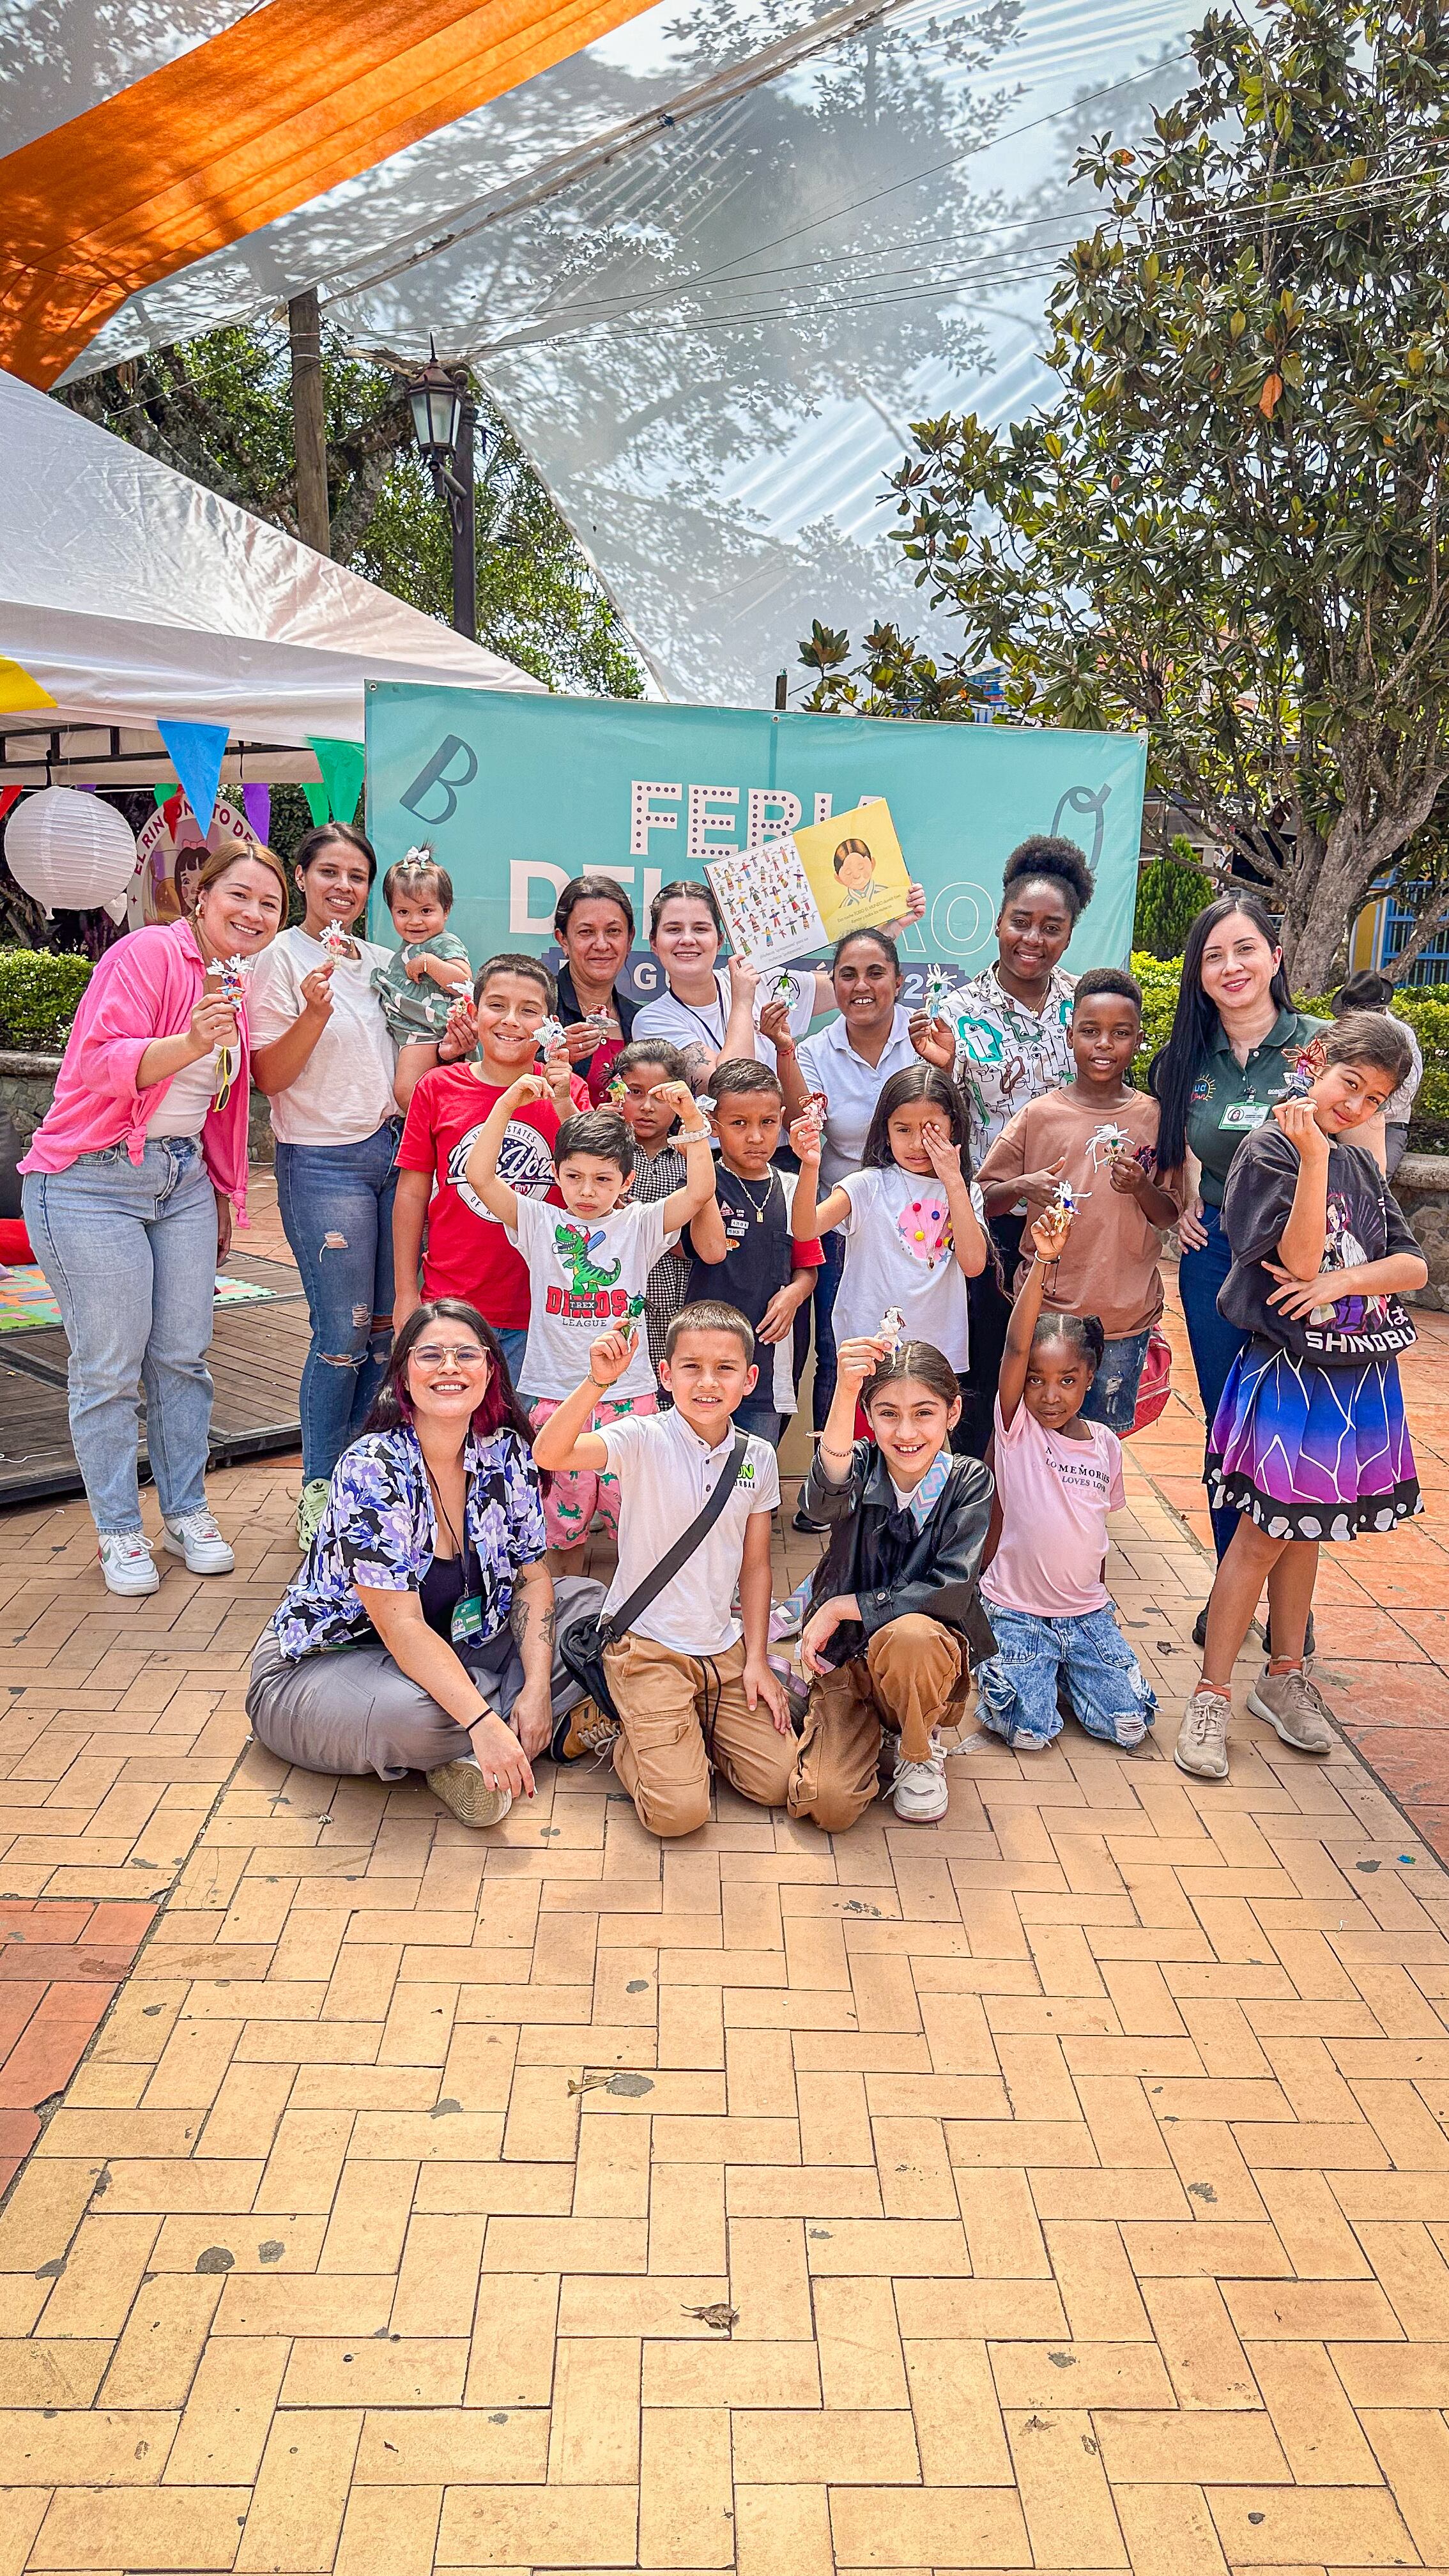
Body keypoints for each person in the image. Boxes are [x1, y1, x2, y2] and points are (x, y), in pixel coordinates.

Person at [20, 843, 288, 1594]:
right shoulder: (146, 955)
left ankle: (187, 1511)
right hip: (87, 1180)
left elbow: (225, 1106)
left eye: (269, 904)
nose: (254, 913)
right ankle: (118, 1530)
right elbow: (98, 1063)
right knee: (107, 1367)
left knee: (182, 1356)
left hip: (181, 1180)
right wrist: (192, 1041)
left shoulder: (243, 978)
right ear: (200, 896)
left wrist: (226, 1195)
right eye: (240, 895)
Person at [1174, 1014, 1427, 1783]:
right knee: (1259, 1535)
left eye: (1373, 1099)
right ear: (1316, 1062)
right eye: (1349, 1083)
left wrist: (1345, 1281)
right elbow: (1296, 1255)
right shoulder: (1273, 1151)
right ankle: (1213, 1692)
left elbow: (1409, 1266)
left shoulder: (1361, 1164)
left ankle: (1284, 1678)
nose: (1355, 1107)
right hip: (1286, 1374)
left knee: (1307, 1529)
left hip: (1352, 1373)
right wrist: (1317, 1159)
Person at [246, 1301, 602, 1828]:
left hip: (459, 1644)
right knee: (416, 1714)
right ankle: (487, 1733)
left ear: (490, 1370)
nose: (450, 1367)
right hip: (326, 1664)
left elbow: (531, 1577)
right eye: (431, 1355)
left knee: (595, 1611)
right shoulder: (372, 1468)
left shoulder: (504, 1452)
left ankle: (473, 1747)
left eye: (466, 1354)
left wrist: (534, 1687)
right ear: (404, 1377)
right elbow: (401, 1627)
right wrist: (482, 1718)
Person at [533, 1304, 797, 1836]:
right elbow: (552, 1452)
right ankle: (629, 1729)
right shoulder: (642, 1437)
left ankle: (681, 1730)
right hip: (646, 1647)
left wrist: (757, 1661)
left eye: (724, 1368)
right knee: (678, 1815)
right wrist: (595, 1383)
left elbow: (756, 1567)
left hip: (720, 1649)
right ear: (664, 1373)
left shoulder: (759, 1457)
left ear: (749, 1379)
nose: (707, 1382)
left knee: (778, 1782)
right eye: (691, 1367)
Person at [1149, 893, 1330, 1591]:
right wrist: (1188, 1207)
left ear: (1275, 957)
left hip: (1303, 1260)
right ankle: (1233, 1588)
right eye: (1213, 956)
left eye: (1245, 949)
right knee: (1230, 1424)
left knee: (1296, 1428)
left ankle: (1290, 1607)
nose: (1231, 967)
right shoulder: (1186, 1060)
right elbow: (1184, 1157)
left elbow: (1362, 1157)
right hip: (1218, 1260)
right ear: (1198, 974)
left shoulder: (1322, 1047)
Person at [248, 820, 411, 1549]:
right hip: (322, 1160)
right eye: (330, 873)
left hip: (393, 1153)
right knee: (341, 1336)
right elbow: (269, 1078)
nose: (343, 887)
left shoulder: (382, 961)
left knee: (384, 1337)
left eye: (356, 876)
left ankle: (358, 1482)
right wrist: (314, 1012)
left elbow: (415, 1049)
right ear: (302, 877)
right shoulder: (278, 958)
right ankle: (320, 1487)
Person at [464, 1080, 716, 1547]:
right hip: (556, 1397)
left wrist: (693, 1121)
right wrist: (504, 1105)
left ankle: (633, 1614)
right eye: (574, 1176)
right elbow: (481, 1178)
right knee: (560, 1527)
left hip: (630, 1397)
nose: (587, 1190)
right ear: (556, 1174)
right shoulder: (540, 1221)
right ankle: (560, 1607)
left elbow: (699, 1191)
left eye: (603, 1179)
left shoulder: (640, 1224)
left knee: (637, 1520)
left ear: (626, 1182)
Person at [790, 1333, 995, 1828]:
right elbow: (822, 1500)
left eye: (924, 1412)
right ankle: (862, 1727)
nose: (906, 1432)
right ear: (868, 1415)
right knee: (827, 1804)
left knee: (912, 1635)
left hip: (918, 1660)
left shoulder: (968, 1481)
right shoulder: (860, 1464)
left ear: (952, 1412)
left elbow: (949, 1588)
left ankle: (918, 1747)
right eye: (887, 1413)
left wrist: (842, 1606)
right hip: (847, 1664)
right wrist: (843, 1388)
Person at [973, 1202, 1158, 1754]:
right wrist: (1043, 1266)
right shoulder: (1016, 1430)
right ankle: (1029, 1672)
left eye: (1067, 1380)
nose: (1049, 1395)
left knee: (1129, 1725)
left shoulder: (1104, 1446)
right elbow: (1014, 1345)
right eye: (1036, 1381)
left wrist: (1097, 1594)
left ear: (1090, 1379)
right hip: (1016, 1608)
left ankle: (1068, 1672)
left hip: (1086, 1614)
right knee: (1029, 1731)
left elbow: (1097, 1532)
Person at [977, 969, 1181, 1434]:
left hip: (1124, 1318)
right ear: (1070, 1036)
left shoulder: (1155, 1118)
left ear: (1139, 1039)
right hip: (1049, 1313)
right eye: (1090, 1031)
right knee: (1037, 1438)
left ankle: (1090, 1511)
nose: (1104, 1044)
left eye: (1120, 1033)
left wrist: (1141, 1188)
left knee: (1102, 1443)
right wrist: (1022, 1187)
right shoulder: (1040, 1115)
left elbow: (1168, 1213)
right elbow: (983, 1199)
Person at [392, 953, 585, 1388]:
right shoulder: (437, 1087)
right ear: (473, 1013)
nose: (512, 1021)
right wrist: (406, 1293)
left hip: (542, 1310)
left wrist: (561, 1103)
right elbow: (411, 1193)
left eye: (529, 1010)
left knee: (530, 1443)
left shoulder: (569, 1091)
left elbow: (593, 1182)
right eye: (497, 1005)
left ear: (550, 1024)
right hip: (452, 1306)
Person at [776, 928, 920, 1476]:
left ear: (899, 981)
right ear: (832, 985)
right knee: (845, 1353)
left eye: (875, 973)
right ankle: (833, 1480)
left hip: (920, 1226)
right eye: (847, 975)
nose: (862, 986)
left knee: (915, 1348)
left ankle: (908, 1478)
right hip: (842, 1225)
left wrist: (942, 1061)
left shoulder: (926, 1036)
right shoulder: (816, 1051)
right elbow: (801, 1125)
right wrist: (787, 1050)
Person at [808, 1065, 990, 1449]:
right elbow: (807, 1227)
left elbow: (974, 1264)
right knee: (863, 1456)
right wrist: (810, 1164)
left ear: (954, 1127)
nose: (916, 1143)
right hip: (868, 1352)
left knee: (923, 1455)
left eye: (930, 1129)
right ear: (885, 1130)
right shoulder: (867, 1184)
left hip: (937, 1355)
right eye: (902, 1129)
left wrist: (954, 1181)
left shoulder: (966, 1193)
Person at [685, 1058, 823, 1445]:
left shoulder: (794, 1187)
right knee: (699, 1469)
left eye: (767, 1123)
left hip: (768, 1362)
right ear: (714, 1126)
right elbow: (696, 1250)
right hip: (704, 1361)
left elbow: (807, 1267)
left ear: (782, 1119)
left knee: (754, 1472)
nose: (756, 1137)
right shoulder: (699, 1182)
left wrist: (794, 1295)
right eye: (739, 1124)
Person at [631, 879, 814, 1090]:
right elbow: (733, 1087)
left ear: (719, 941)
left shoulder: (759, 981)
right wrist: (744, 1002)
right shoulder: (653, 1022)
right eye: (674, 929)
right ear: (654, 943)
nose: (688, 939)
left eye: (700, 929)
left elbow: (843, 990)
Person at [608, 1039, 693, 1382]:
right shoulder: (608, 1158)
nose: (646, 1107)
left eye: (659, 1097)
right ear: (616, 1092)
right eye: (635, 1092)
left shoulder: (688, 1159)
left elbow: (700, 1240)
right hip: (615, 1301)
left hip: (677, 1302)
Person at [371, 850, 473, 1080]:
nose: (415, 921)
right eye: (403, 912)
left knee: (408, 1092)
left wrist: (430, 963)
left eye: (426, 911)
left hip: (427, 1030)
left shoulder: (443, 942)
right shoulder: (408, 946)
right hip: (411, 1028)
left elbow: (465, 983)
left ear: (446, 910)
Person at [551, 873, 640, 1102]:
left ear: (630, 939)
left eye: (613, 931)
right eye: (586, 932)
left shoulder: (640, 1020)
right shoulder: (538, 1007)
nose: (601, 945)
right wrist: (552, 1057)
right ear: (563, 940)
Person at [1332, 970, 1421, 1175]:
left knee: (1375, 1178)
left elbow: (1407, 1091)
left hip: (1389, 1121)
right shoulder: (1342, 1030)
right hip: (1340, 1115)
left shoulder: (1403, 1034)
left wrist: (1366, 1111)